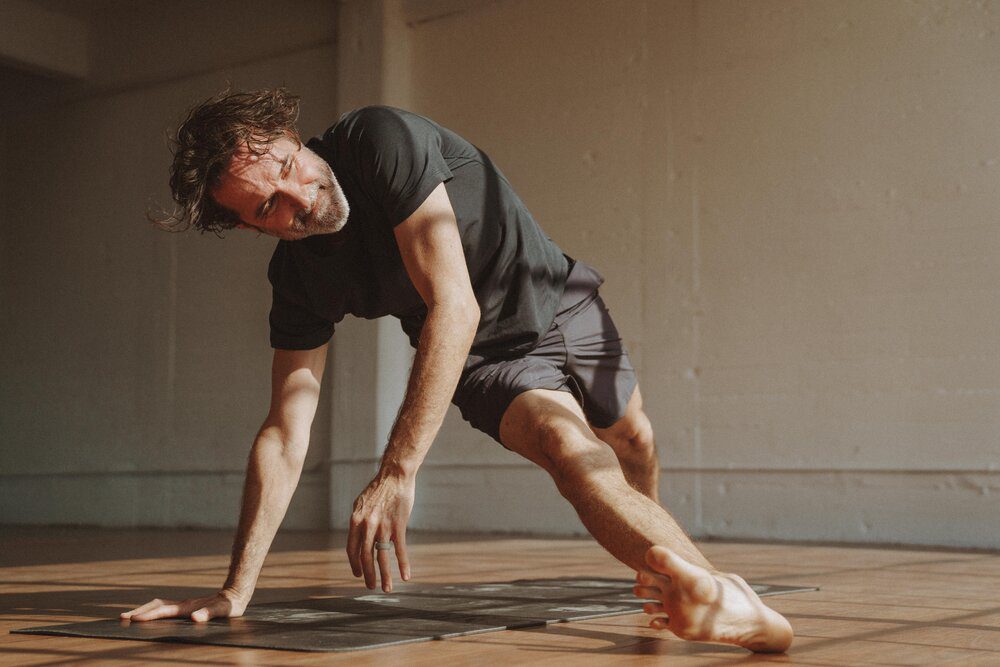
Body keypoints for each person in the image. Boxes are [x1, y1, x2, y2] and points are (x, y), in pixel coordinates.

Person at [121, 89, 793, 653]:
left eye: (291, 166)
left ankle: (658, 565)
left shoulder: (379, 142)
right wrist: (237, 587)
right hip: (482, 359)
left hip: (559, 297)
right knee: (571, 449)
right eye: (267, 207)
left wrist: (396, 471)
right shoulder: (300, 281)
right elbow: (284, 431)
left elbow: (455, 298)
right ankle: (728, 602)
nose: (300, 198)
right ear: (247, 226)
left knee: (635, 440)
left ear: (290, 134)